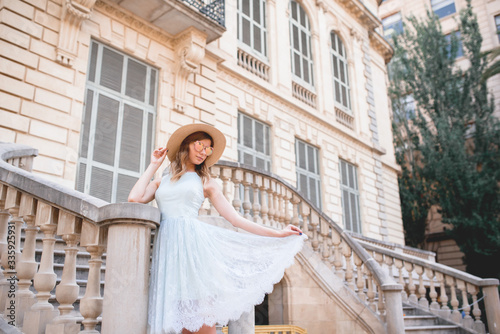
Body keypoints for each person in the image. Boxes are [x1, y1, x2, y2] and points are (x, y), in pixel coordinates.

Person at [128, 123, 306, 334]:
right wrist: (153, 165)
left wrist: (278, 233)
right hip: (168, 257)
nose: (204, 152)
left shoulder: (206, 182)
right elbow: (134, 198)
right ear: (187, 145)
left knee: (203, 323)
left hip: (195, 254)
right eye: (200, 145)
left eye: (208, 149)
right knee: (181, 325)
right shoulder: (161, 182)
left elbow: (236, 219)